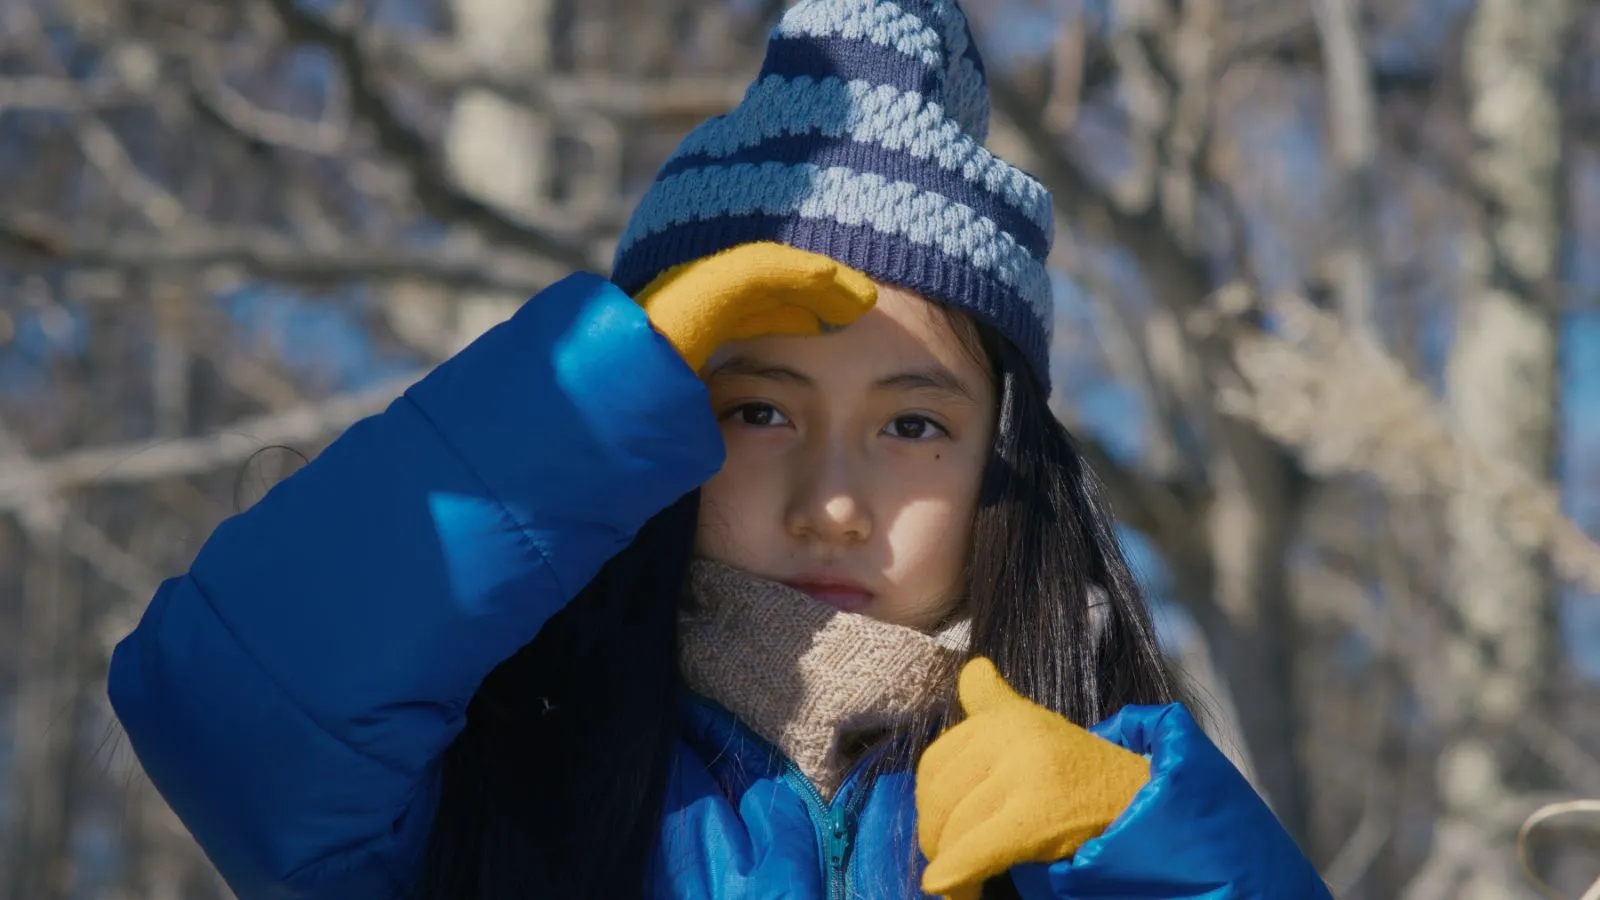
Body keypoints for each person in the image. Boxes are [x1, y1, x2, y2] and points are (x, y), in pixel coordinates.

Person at [108, 1, 1332, 897]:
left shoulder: (1088, 821)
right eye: (758, 410)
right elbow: (225, 707)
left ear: (1005, 469)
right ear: (652, 434)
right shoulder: (502, 777)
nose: (832, 503)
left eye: (914, 425)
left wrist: (1159, 864)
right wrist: (587, 393)